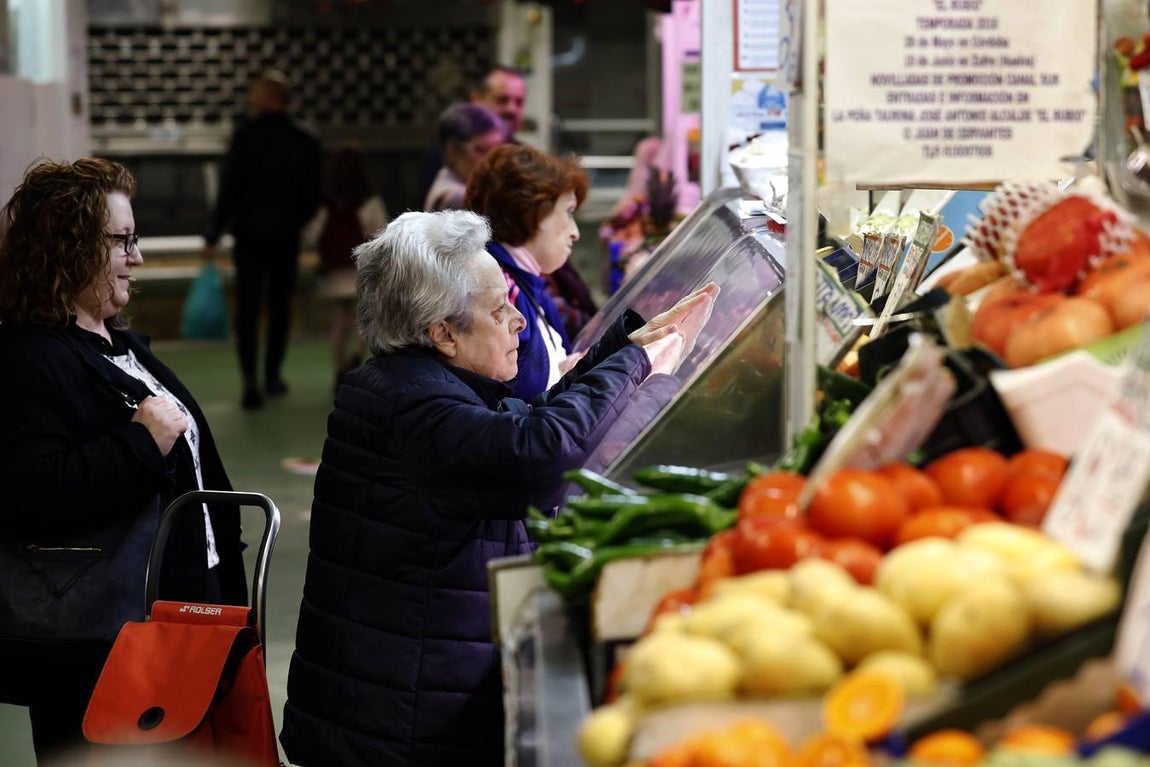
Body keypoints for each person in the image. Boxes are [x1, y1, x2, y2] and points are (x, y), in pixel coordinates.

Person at [279, 209, 718, 767]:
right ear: (441, 333)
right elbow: (536, 455)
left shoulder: (413, 383)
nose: (519, 322)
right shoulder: (416, 408)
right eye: (498, 310)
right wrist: (639, 363)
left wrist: (625, 348)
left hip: (394, 706)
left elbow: (523, 424)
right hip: (396, 732)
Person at [0, 157, 249, 763]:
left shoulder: (117, 345)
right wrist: (140, 443)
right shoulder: (28, 358)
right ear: (65, 249)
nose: (137, 258)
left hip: (176, 610)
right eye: (121, 241)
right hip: (97, 639)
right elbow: (27, 493)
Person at [202, 69, 324, 410]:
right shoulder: (305, 139)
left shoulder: (245, 136)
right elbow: (313, 193)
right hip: (285, 234)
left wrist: (213, 233)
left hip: (249, 234)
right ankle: (272, 375)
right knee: (281, 305)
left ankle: (249, 382)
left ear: (265, 98)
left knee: (248, 308)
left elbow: (229, 189)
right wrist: (297, 221)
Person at [464, 143, 600, 400]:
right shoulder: (500, 292)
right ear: (531, 211)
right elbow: (501, 402)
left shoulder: (521, 282)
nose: (575, 232)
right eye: (568, 212)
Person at [304, 145, 388, 388]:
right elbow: (379, 234)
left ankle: (339, 367)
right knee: (361, 320)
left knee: (338, 323)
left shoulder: (326, 202)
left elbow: (313, 235)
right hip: (359, 270)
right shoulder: (369, 200)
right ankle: (356, 358)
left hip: (332, 271)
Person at [416, 65, 528, 205]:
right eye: (502, 100)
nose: (511, 109)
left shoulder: (524, 155)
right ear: (476, 99)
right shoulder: (441, 155)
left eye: (519, 102)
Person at [422, 102, 505, 212]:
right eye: (481, 150)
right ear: (453, 152)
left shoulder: (446, 176)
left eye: (497, 151)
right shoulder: (458, 198)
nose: (493, 161)